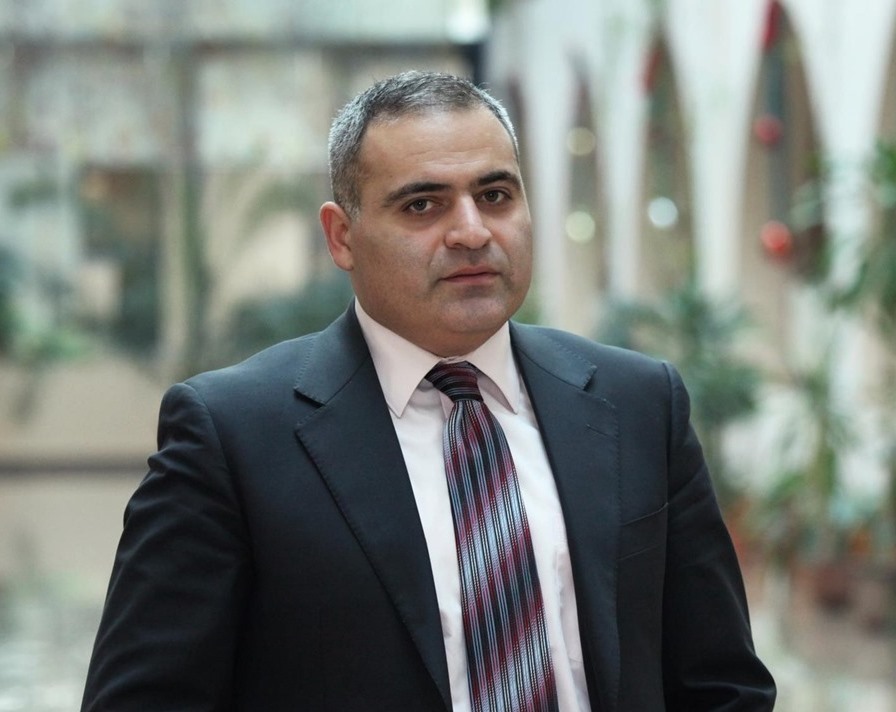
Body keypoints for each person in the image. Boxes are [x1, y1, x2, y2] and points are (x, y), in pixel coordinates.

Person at [81, 70, 775, 711]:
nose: (472, 232)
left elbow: (720, 683)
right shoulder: (232, 436)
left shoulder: (639, 403)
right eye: (422, 205)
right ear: (342, 236)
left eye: (495, 195)